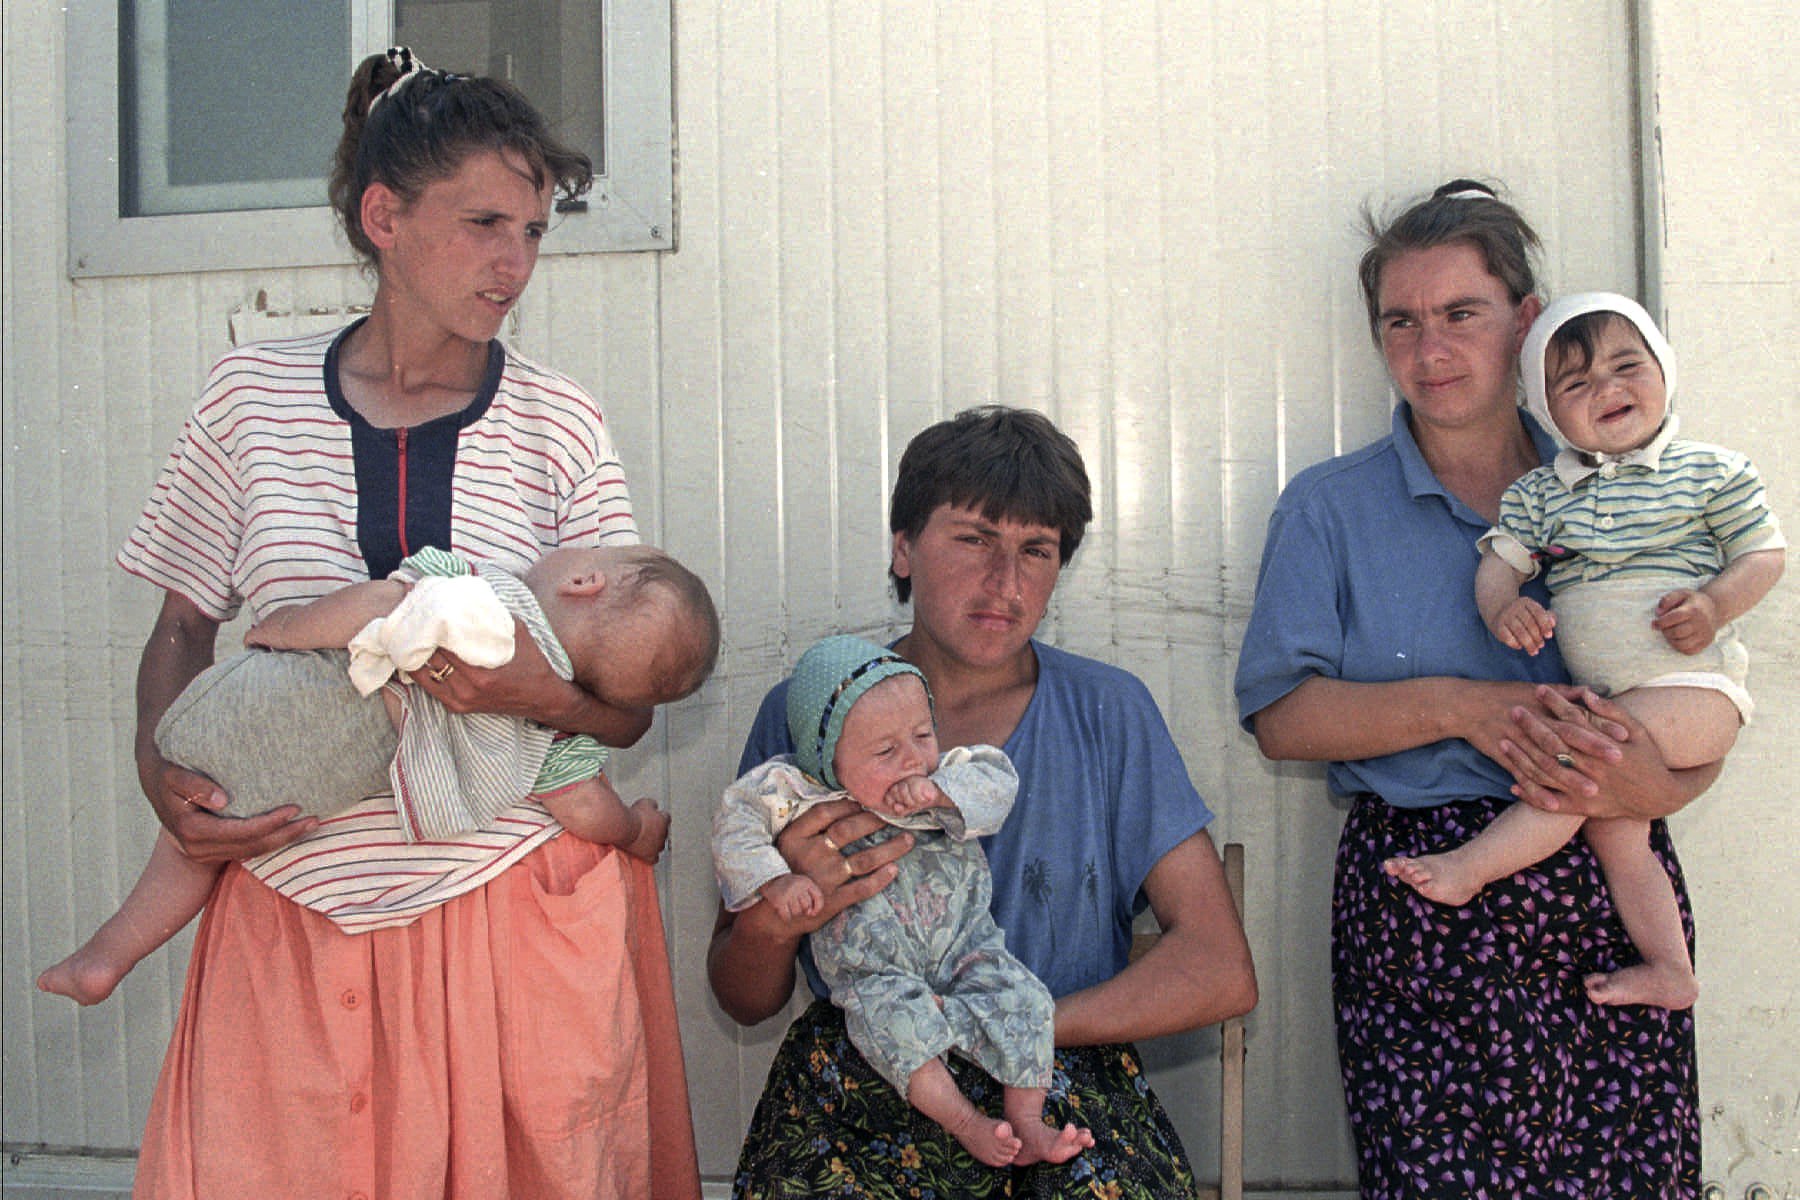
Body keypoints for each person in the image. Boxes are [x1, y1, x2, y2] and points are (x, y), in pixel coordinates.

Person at [115, 48, 701, 1198]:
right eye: (486, 222)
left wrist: (526, 697)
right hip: (295, 908)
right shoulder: (249, 400)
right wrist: (158, 771)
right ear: (384, 216)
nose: (514, 260)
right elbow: (183, 629)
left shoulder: (563, 425)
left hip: (514, 920)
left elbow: (625, 710)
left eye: (534, 229)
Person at [1234, 179, 1713, 1197]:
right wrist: (1467, 707)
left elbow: (1695, 702)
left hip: (1607, 894)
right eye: (1399, 322)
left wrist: (1656, 790)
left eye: (1461, 314)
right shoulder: (1331, 509)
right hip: (1422, 897)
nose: (1429, 349)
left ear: (1527, 322)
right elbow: (1281, 717)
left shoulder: (1627, 491)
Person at [709, 406, 1257, 1199]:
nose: (1006, 583)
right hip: (866, 1072)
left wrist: (1010, 1023)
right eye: (973, 539)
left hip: (1061, 1075)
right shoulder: (808, 717)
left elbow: (1219, 971)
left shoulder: (1108, 713)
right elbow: (742, 993)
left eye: (1036, 550)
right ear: (903, 546)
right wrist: (780, 910)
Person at [40, 542, 719, 1006]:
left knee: (191, 833)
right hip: (311, 787)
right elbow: (584, 807)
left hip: (265, 702)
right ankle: (108, 959)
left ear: (584, 580)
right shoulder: (555, 731)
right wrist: (633, 830)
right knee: (211, 836)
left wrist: (283, 627)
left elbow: (374, 606)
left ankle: (110, 946)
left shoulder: (478, 593)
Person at [1385, 292, 1783, 1010]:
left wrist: (1716, 603)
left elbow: (1764, 554)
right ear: (1546, 406)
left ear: (1665, 373)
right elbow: (1500, 563)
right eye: (1577, 383)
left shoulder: (1709, 470)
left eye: (1629, 365)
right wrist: (1504, 607)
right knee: (1617, 838)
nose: (1609, 388)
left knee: (1576, 759)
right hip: (1620, 700)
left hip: (1695, 689)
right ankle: (1670, 970)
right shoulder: (1542, 493)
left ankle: (1474, 867)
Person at [713, 633, 1093, 1168]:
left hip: (968, 950)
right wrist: (776, 880)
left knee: (1026, 1000)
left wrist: (941, 795)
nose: (913, 758)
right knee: (893, 1025)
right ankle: (966, 1122)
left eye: (922, 734)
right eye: (886, 751)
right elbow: (735, 824)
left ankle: (1028, 1120)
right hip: (876, 970)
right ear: (825, 757)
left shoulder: (943, 775)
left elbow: (997, 782)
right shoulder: (794, 790)